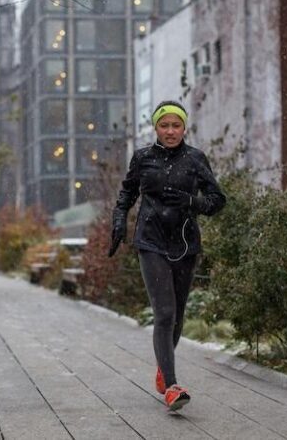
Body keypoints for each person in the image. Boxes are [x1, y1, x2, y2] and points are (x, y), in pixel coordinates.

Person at [108, 100, 226, 411]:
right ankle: (172, 386)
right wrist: (120, 220)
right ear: (156, 128)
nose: (170, 131)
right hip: (151, 242)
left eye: (176, 125)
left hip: (185, 244)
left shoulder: (195, 159)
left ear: (184, 128)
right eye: (164, 125)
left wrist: (192, 200)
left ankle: (163, 370)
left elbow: (217, 201)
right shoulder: (143, 158)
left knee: (178, 315)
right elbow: (127, 194)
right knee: (163, 313)